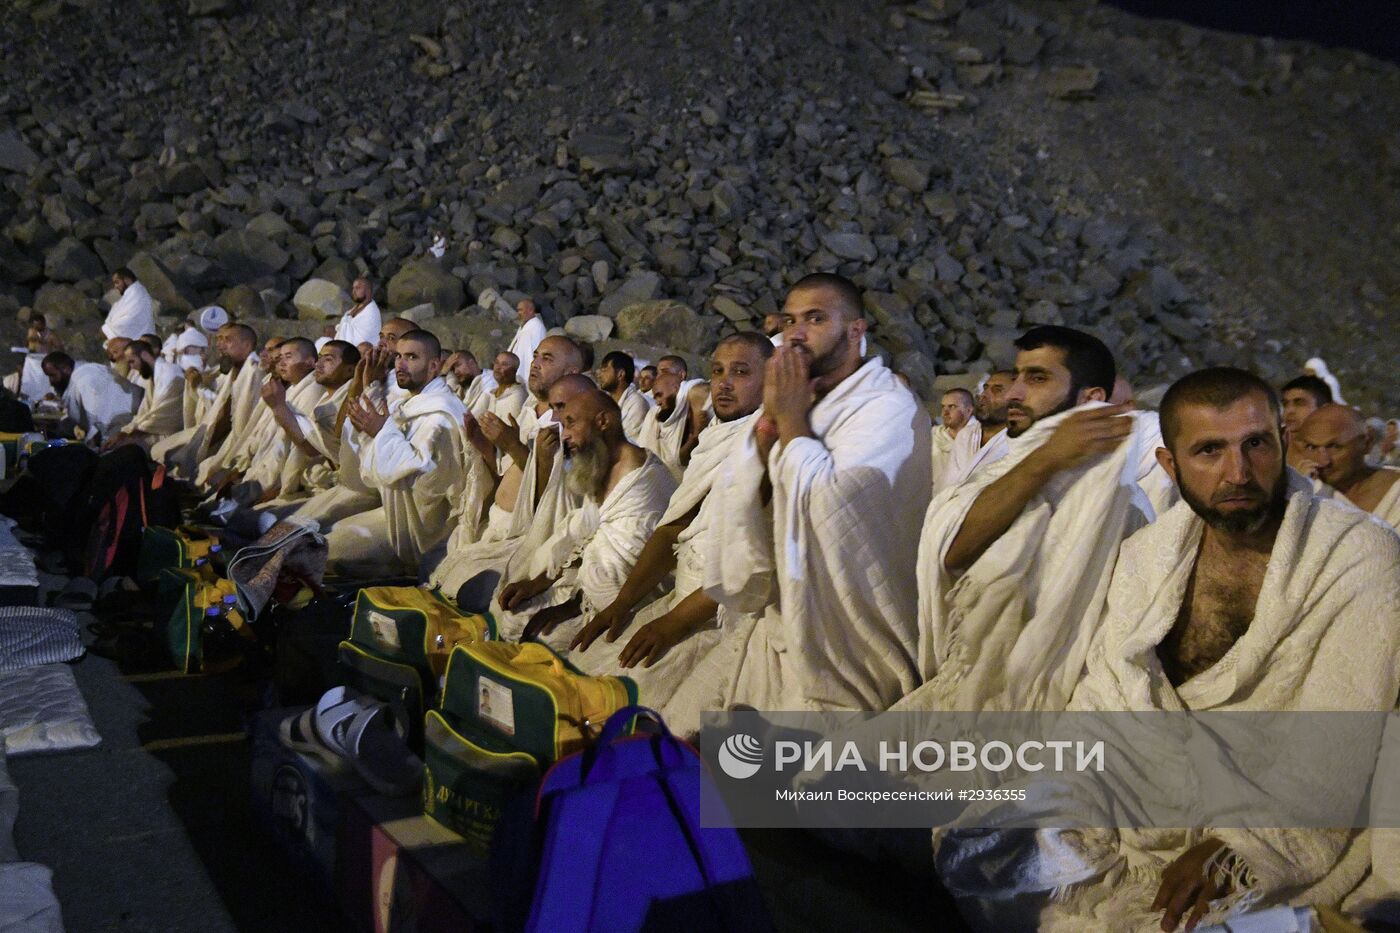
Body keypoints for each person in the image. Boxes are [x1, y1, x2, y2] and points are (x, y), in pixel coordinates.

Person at [989, 367, 1400, 933]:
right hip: (1140, 792)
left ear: (1282, 441)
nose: (1238, 472)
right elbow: (1110, 692)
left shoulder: (1358, 556)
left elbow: (1341, 730)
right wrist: (1071, 781)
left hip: (1266, 804)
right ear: (1169, 465)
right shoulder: (1148, 556)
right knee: (980, 846)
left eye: (1255, 444)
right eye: (1209, 451)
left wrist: (1240, 844)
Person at [662, 273, 931, 735]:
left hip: (843, 641)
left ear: (855, 331)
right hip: (772, 622)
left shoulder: (887, 407)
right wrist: (770, 433)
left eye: (816, 319)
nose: (797, 332)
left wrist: (787, 418)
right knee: (671, 729)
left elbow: (833, 512)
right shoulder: (798, 397)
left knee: (767, 788)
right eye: (790, 320)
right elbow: (751, 499)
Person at [899, 325, 1165, 713]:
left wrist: (1048, 458)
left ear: (1091, 399)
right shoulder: (1008, 471)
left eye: (1037, 378)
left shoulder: (1124, 510)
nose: (1015, 393)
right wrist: (1047, 458)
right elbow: (951, 554)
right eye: (1018, 376)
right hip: (958, 687)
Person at [568, 333, 771, 707]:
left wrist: (673, 623)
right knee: (585, 661)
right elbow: (673, 527)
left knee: (630, 697)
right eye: (718, 371)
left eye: (741, 372)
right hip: (681, 598)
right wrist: (623, 604)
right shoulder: (716, 439)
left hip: (722, 614)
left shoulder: (768, 446)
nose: (724, 383)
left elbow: (749, 566)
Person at [489, 388, 677, 649]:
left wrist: (569, 608)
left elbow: (621, 572)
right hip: (584, 588)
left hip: (628, 602)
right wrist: (539, 583)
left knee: (542, 633)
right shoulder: (600, 465)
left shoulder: (643, 481)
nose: (564, 435)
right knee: (509, 611)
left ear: (602, 421)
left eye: (571, 423)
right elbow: (583, 535)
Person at [428, 340, 588, 590]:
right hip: (497, 524)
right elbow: (506, 475)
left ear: (571, 372)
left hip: (526, 535)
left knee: (457, 582)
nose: (535, 363)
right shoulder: (528, 411)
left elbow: (555, 497)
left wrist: (512, 444)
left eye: (547, 358)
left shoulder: (573, 428)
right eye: (535, 356)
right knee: (440, 564)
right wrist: (482, 443)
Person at [325, 329, 467, 576]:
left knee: (325, 551)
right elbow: (374, 473)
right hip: (394, 512)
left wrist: (380, 431)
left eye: (412, 357)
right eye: (399, 356)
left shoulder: (440, 416)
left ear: (434, 366)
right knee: (327, 534)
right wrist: (372, 387)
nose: (400, 364)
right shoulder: (412, 405)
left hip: (422, 531)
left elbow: (417, 479)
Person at [255, 340, 360, 510]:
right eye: (319, 358)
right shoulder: (325, 398)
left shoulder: (347, 398)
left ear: (350, 369)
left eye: (328, 359)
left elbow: (312, 447)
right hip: (312, 483)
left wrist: (279, 407)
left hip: (338, 488)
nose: (318, 365)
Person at [153, 323, 262, 481]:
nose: (220, 344)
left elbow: (235, 419)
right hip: (215, 434)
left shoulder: (255, 373)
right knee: (158, 452)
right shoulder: (228, 369)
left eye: (227, 339)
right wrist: (196, 385)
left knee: (198, 471)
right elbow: (216, 406)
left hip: (238, 441)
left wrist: (198, 448)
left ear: (247, 345)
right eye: (218, 339)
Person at [1296, 404, 1400, 527]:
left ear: (1366, 444)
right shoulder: (1309, 491)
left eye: (1334, 447)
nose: (1323, 461)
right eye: (1311, 447)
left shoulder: (1396, 493)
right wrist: (1296, 493)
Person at [937, 370, 1012, 494]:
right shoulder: (966, 435)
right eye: (985, 388)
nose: (983, 395)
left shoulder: (1016, 442)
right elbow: (945, 486)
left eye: (997, 390)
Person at [40, 351, 140, 442]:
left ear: (66, 369)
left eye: (52, 375)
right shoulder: (78, 376)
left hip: (124, 424)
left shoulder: (85, 380)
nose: (50, 381)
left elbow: (97, 417)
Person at [105, 338, 184, 450]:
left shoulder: (169, 373)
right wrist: (124, 432)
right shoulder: (152, 376)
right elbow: (144, 410)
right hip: (153, 429)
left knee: (124, 447)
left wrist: (131, 433)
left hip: (170, 431)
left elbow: (161, 415)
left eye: (132, 361)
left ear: (145, 355)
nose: (132, 367)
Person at [637, 371, 710, 480]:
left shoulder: (695, 394)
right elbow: (678, 460)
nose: (658, 402)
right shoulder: (667, 415)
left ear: (676, 388)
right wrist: (695, 437)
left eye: (659, 395)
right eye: (655, 398)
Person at [1280, 374, 1332, 474]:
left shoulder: (1342, 450)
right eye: (1285, 404)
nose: (1289, 410)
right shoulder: (1273, 449)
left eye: (1299, 403)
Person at [596, 351, 649, 440]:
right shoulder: (603, 400)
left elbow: (628, 442)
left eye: (604, 370)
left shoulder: (637, 404)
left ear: (620, 374)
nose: (600, 375)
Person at [930, 388, 975, 491]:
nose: (945, 413)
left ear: (968, 410)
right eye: (943, 407)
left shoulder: (979, 436)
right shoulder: (934, 435)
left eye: (952, 407)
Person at [102, 268, 157, 342]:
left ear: (127, 280)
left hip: (140, 342)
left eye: (117, 282)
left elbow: (131, 319)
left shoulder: (138, 294)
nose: (115, 286)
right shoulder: (129, 294)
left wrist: (108, 329)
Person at [331, 277, 381, 353]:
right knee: (322, 341)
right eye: (353, 288)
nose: (353, 291)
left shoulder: (372, 313)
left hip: (360, 353)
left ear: (368, 291)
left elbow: (361, 340)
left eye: (357, 288)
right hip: (343, 346)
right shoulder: (353, 309)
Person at [506, 298, 546, 385]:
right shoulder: (523, 326)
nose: (518, 313)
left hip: (524, 374)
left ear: (530, 310)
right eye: (518, 310)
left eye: (520, 310)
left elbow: (532, 353)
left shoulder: (536, 327)